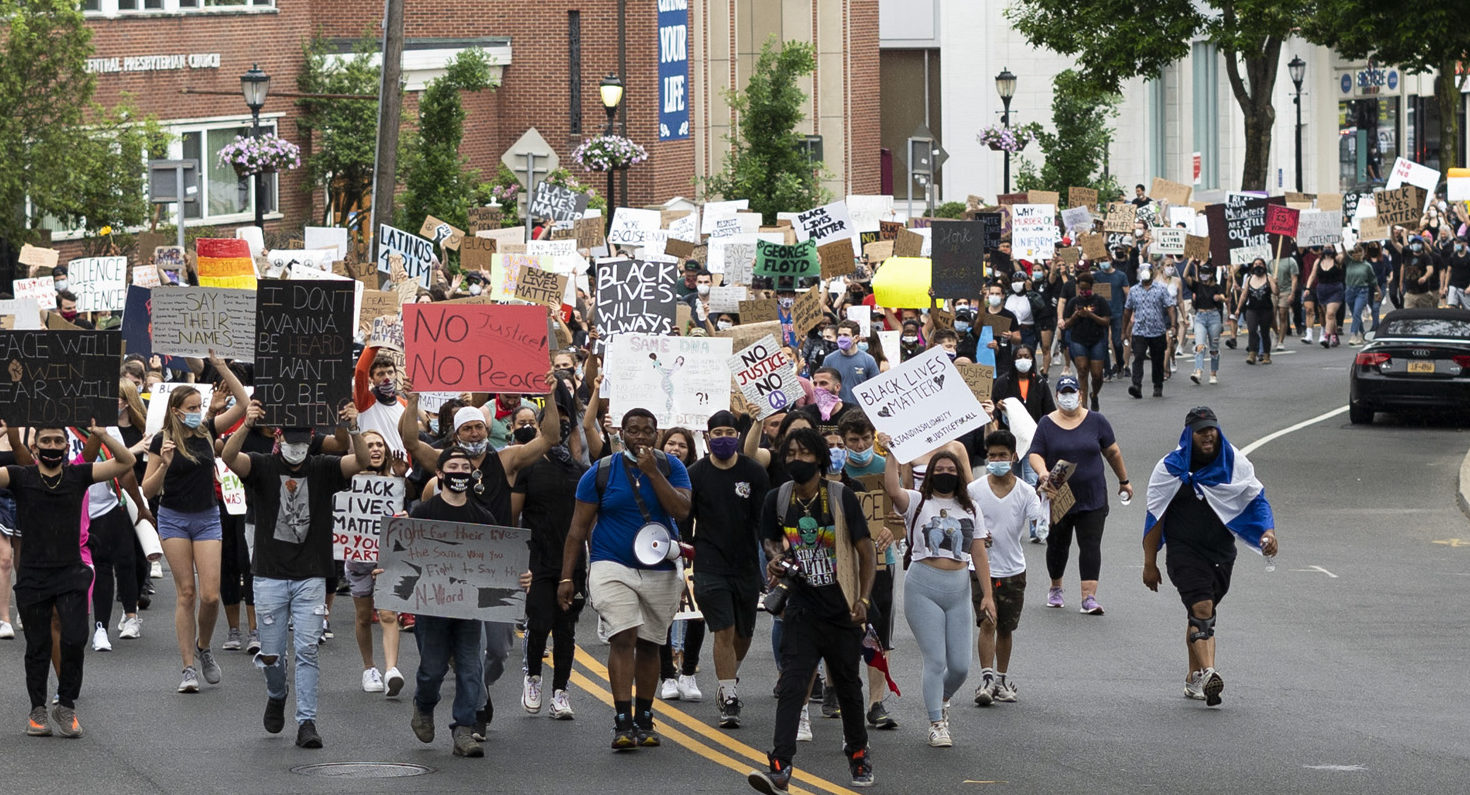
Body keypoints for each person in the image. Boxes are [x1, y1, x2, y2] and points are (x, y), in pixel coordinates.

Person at [221, 400, 367, 748]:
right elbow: (228, 458)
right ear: (279, 437)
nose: (297, 447)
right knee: (271, 654)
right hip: (270, 575)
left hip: (311, 576)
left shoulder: (323, 468)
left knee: (307, 650)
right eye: (291, 440)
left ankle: (307, 722)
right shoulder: (262, 466)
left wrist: (355, 428)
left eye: (303, 442)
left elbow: (360, 461)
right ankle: (276, 692)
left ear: (311, 440)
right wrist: (246, 423)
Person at [748, 428, 876, 792]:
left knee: (848, 686)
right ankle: (780, 765)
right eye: (790, 454)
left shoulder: (841, 497)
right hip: (801, 610)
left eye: (804, 453)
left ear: (819, 458)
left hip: (841, 610)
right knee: (792, 685)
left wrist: (863, 601)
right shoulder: (778, 497)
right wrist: (775, 560)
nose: (796, 460)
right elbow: (771, 540)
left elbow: (866, 553)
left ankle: (858, 753)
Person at [559, 408, 692, 750]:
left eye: (647, 432)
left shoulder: (670, 467)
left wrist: (652, 474)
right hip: (611, 563)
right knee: (624, 636)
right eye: (633, 431)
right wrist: (566, 578)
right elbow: (576, 529)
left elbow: (680, 510)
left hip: (659, 567)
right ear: (621, 434)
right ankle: (622, 719)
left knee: (650, 643)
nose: (641, 438)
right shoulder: (600, 472)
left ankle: (644, 717)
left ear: (656, 434)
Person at [1, 423, 135, 738]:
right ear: (34, 448)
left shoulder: (78, 475)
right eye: (44, 440)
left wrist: (100, 435)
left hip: (71, 572)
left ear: (66, 447)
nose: (51, 445)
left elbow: (127, 462)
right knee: (38, 645)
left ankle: (66, 705)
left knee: (74, 639)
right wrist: (11, 433)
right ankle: (37, 710)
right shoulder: (20, 477)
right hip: (33, 576)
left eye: (58, 440)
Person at [1142, 407, 1278, 707]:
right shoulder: (1170, 469)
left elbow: (1256, 499)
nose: (1208, 435)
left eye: (1212, 429)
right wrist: (1149, 563)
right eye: (1201, 430)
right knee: (1202, 609)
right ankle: (1209, 674)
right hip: (1183, 551)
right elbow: (1155, 518)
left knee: (1200, 613)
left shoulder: (1233, 463)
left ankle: (1193, 675)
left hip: (1221, 553)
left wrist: (1267, 531)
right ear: (1189, 435)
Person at [141, 352, 249, 693]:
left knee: (211, 595)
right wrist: (164, 465)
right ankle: (188, 667)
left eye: (196, 407)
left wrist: (220, 367)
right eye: (188, 408)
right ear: (175, 411)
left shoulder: (205, 431)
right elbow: (147, 489)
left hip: (206, 518)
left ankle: (204, 647)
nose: (193, 412)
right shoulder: (162, 441)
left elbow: (244, 404)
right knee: (186, 593)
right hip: (173, 518)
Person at [880, 439, 991, 749]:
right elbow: (892, 488)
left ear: (959, 474)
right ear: (929, 474)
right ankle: (935, 723)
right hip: (923, 586)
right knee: (935, 659)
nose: (945, 473)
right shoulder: (917, 501)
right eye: (939, 469)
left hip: (958, 587)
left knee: (959, 666)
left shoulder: (971, 508)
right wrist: (891, 453)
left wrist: (987, 595)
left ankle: (941, 698)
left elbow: (979, 552)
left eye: (950, 469)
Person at [407, 448, 497, 757]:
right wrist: (389, 570)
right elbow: (405, 556)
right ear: (441, 474)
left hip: (469, 608)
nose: (459, 471)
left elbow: (496, 562)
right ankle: (424, 704)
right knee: (432, 670)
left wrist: (517, 577)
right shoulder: (423, 512)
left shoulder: (483, 517)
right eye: (453, 466)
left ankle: (463, 729)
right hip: (432, 608)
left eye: (465, 467)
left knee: (470, 668)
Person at [687, 410, 771, 729]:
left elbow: (763, 521)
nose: (723, 438)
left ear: (738, 436)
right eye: (717, 433)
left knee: (743, 633)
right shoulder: (696, 474)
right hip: (709, 563)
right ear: (708, 438)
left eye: (729, 433)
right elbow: (684, 516)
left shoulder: (754, 472)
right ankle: (728, 696)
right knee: (723, 630)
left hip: (746, 564)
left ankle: (729, 677)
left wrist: (773, 555)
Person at [1027, 375, 1132, 615]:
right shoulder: (1046, 423)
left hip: (1092, 495)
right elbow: (1035, 453)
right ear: (1056, 397)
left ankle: (1089, 597)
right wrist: (1043, 473)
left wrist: (1123, 480)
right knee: (1058, 544)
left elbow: (1112, 452)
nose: (1068, 397)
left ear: (1080, 394)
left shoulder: (1097, 421)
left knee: (1090, 544)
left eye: (1071, 392)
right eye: (1063, 393)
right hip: (1059, 494)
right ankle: (1056, 587)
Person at [513, 405, 588, 721]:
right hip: (536, 558)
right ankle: (533, 678)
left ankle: (561, 692)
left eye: (567, 428)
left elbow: (589, 519)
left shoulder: (580, 471)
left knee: (566, 627)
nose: (561, 434)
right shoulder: (527, 468)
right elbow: (511, 515)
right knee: (540, 621)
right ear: (542, 431)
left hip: (571, 561)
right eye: (555, 428)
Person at [968, 430, 1041, 706]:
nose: (997, 460)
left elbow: (1040, 521)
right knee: (987, 622)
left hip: (1013, 569)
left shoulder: (1025, 491)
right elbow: (963, 524)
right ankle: (986, 679)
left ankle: (1001, 679)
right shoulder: (973, 490)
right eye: (992, 456)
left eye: (1002, 455)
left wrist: (1051, 500)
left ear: (1013, 457)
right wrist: (976, 536)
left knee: (1006, 628)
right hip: (981, 569)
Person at [340, 430, 409, 698]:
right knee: (363, 616)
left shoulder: (395, 482)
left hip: (387, 558)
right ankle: (369, 668)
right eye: (370, 445)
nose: (376, 449)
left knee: (388, 614)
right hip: (358, 559)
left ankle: (391, 669)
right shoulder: (348, 481)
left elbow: (404, 520)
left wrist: (404, 516)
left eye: (380, 444)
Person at [655, 427, 705, 703]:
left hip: (690, 554)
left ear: (691, 450)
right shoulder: (650, 475)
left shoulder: (696, 478)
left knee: (697, 614)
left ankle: (688, 673)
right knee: (664, 616)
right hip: (658, 552)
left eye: (682, 445)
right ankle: (667, 677)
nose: (675, 449)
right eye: (671, 443)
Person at [1123, 261, 1177, 399]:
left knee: (1157, 359)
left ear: (1153, 272)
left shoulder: (1160, 289)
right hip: (1140, 330)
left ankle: (1158, 385)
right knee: (1139, 357)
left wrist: (1173, 325)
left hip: (1157, 330)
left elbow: (1170, 307)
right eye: (1142, 270)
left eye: (1147, 270)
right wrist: (1124, 331)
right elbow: (1128, 311)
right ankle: (1136, 386)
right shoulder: (1134, 290)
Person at [1062, 272, 1112, 410]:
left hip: (1096, 340)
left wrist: (1090, 314)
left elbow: (1106, 321)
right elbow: (1066, 323)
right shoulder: (1073, 302)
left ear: (1092, 287)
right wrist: (1075, 316)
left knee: (1097, 375)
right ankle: (1083, 405)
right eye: (1081, 289)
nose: (1083, 292)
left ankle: (1094, 394)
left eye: (1086, 289)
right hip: (1078, 340)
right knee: (1082, 371)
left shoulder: (1099, 301)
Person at [1183, 260, 1225, 385]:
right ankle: (1198, 371)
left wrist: (1220, 298)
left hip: (1213, 317)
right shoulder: (1197, 286)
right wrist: (1189, 262)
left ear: (1211, 274)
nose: (1203, 275)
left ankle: (1213, 373)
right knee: (1199, 345)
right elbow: (1185, 276)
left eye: (1206, 273)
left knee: (1214, 348)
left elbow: (1224, 297)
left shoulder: (1217, 287)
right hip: (1200, 317)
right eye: (1202, 273)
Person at [824, 321, 879, 406]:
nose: (841, 338)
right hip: (837, 410)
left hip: (860, 410)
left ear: (856, 338)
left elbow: (875, 388)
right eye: (839, 335)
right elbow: (824, 388)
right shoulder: (829, 360)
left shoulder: (868, 360)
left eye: (845, 335)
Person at [1234, 258, 1277, 364]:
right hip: (1252, 309)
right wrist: (1238, 308)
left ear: (1264, 266)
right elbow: (1244, 295)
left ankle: (1266, 355)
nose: (1258, 266)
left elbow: (1276, 292)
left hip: (1266, 310)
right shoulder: (1249, 279)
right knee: (1252, 331)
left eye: (1260, 264)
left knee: (1264, 332)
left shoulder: (1269, 277)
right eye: (1256, 264)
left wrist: (1275, 283)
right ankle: (1252, 354)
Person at [1304, 246, 1346, 347]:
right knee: (1328, 315)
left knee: (1330, 314)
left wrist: (1342, 244)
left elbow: (1344, 255)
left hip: (1335, 289)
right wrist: (1308, 288)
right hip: (1322, 290)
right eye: (1326, 247)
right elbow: (1312, 275)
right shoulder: (1318, 261)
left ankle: (1326, 337)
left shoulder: (1337, 260)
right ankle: (1334, 335)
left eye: (1330, 247)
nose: (1327, 248)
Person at [801, 367, 856, 438]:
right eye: (815, 384)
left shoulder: (852, 413)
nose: (818, 388)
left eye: (823, 383)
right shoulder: (805, 414)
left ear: (837, 387)